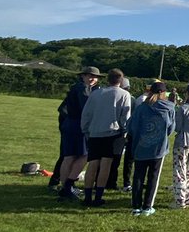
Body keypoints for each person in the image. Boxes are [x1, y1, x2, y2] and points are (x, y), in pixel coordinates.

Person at [78, 69, 132, 207]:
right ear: (121, 80)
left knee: (92, 164)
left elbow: (86, 113)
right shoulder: (124, 94)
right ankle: (99, 196)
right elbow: (125, 117)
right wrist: (124, 131)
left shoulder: (96, 93)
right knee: (105, 166)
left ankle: (88, 196)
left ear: (107, 79)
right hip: (112, 134)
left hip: (94, 132)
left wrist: (86, 129)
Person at [126, 81, 175, 216]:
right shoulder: (169, 108)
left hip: (141, 146)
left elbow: (132, 127)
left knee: (138, 177)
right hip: (158, 148)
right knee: (153, 177)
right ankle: (148, 207)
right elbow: (171, 128)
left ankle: (136, 206)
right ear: (164, 93)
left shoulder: (142, 107)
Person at [55, 66, 100, 198]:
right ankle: (67, 186)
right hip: (78, 125)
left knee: (69, 156)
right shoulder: (83, 89)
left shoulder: (80, 87)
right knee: (84, 156)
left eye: (95, 76)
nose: (92, 79)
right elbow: (86, 108)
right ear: (83, 76)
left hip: (70, 123)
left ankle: (65, 187)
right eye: (89, 76)